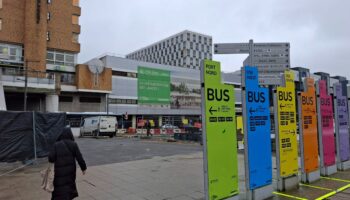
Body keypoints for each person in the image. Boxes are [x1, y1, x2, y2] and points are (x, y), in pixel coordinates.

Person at [49, 127, 87, 200]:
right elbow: (79, 157)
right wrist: (83, 168)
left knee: (59, 189)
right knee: (68, 187)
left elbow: (51, 158)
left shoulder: (56, 145)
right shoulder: (73, 144)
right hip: (70, 172)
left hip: (59, 173)